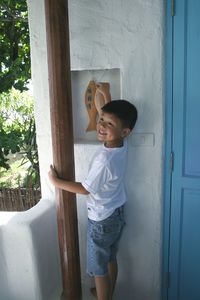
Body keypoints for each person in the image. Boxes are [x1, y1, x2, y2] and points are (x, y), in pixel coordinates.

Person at [48, 84, 138, 300]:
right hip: (115, 213)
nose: (101, 125)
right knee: (110, 258)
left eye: (108, 124)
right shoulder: (120, 144)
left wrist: (56, 181)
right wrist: (106, 95)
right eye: (101, 120)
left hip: (101, 220)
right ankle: (107, 292)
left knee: (98, 268)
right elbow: (111, 117)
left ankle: (102, 295)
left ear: (124, 131)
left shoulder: (104, 160)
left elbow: (85, 189)